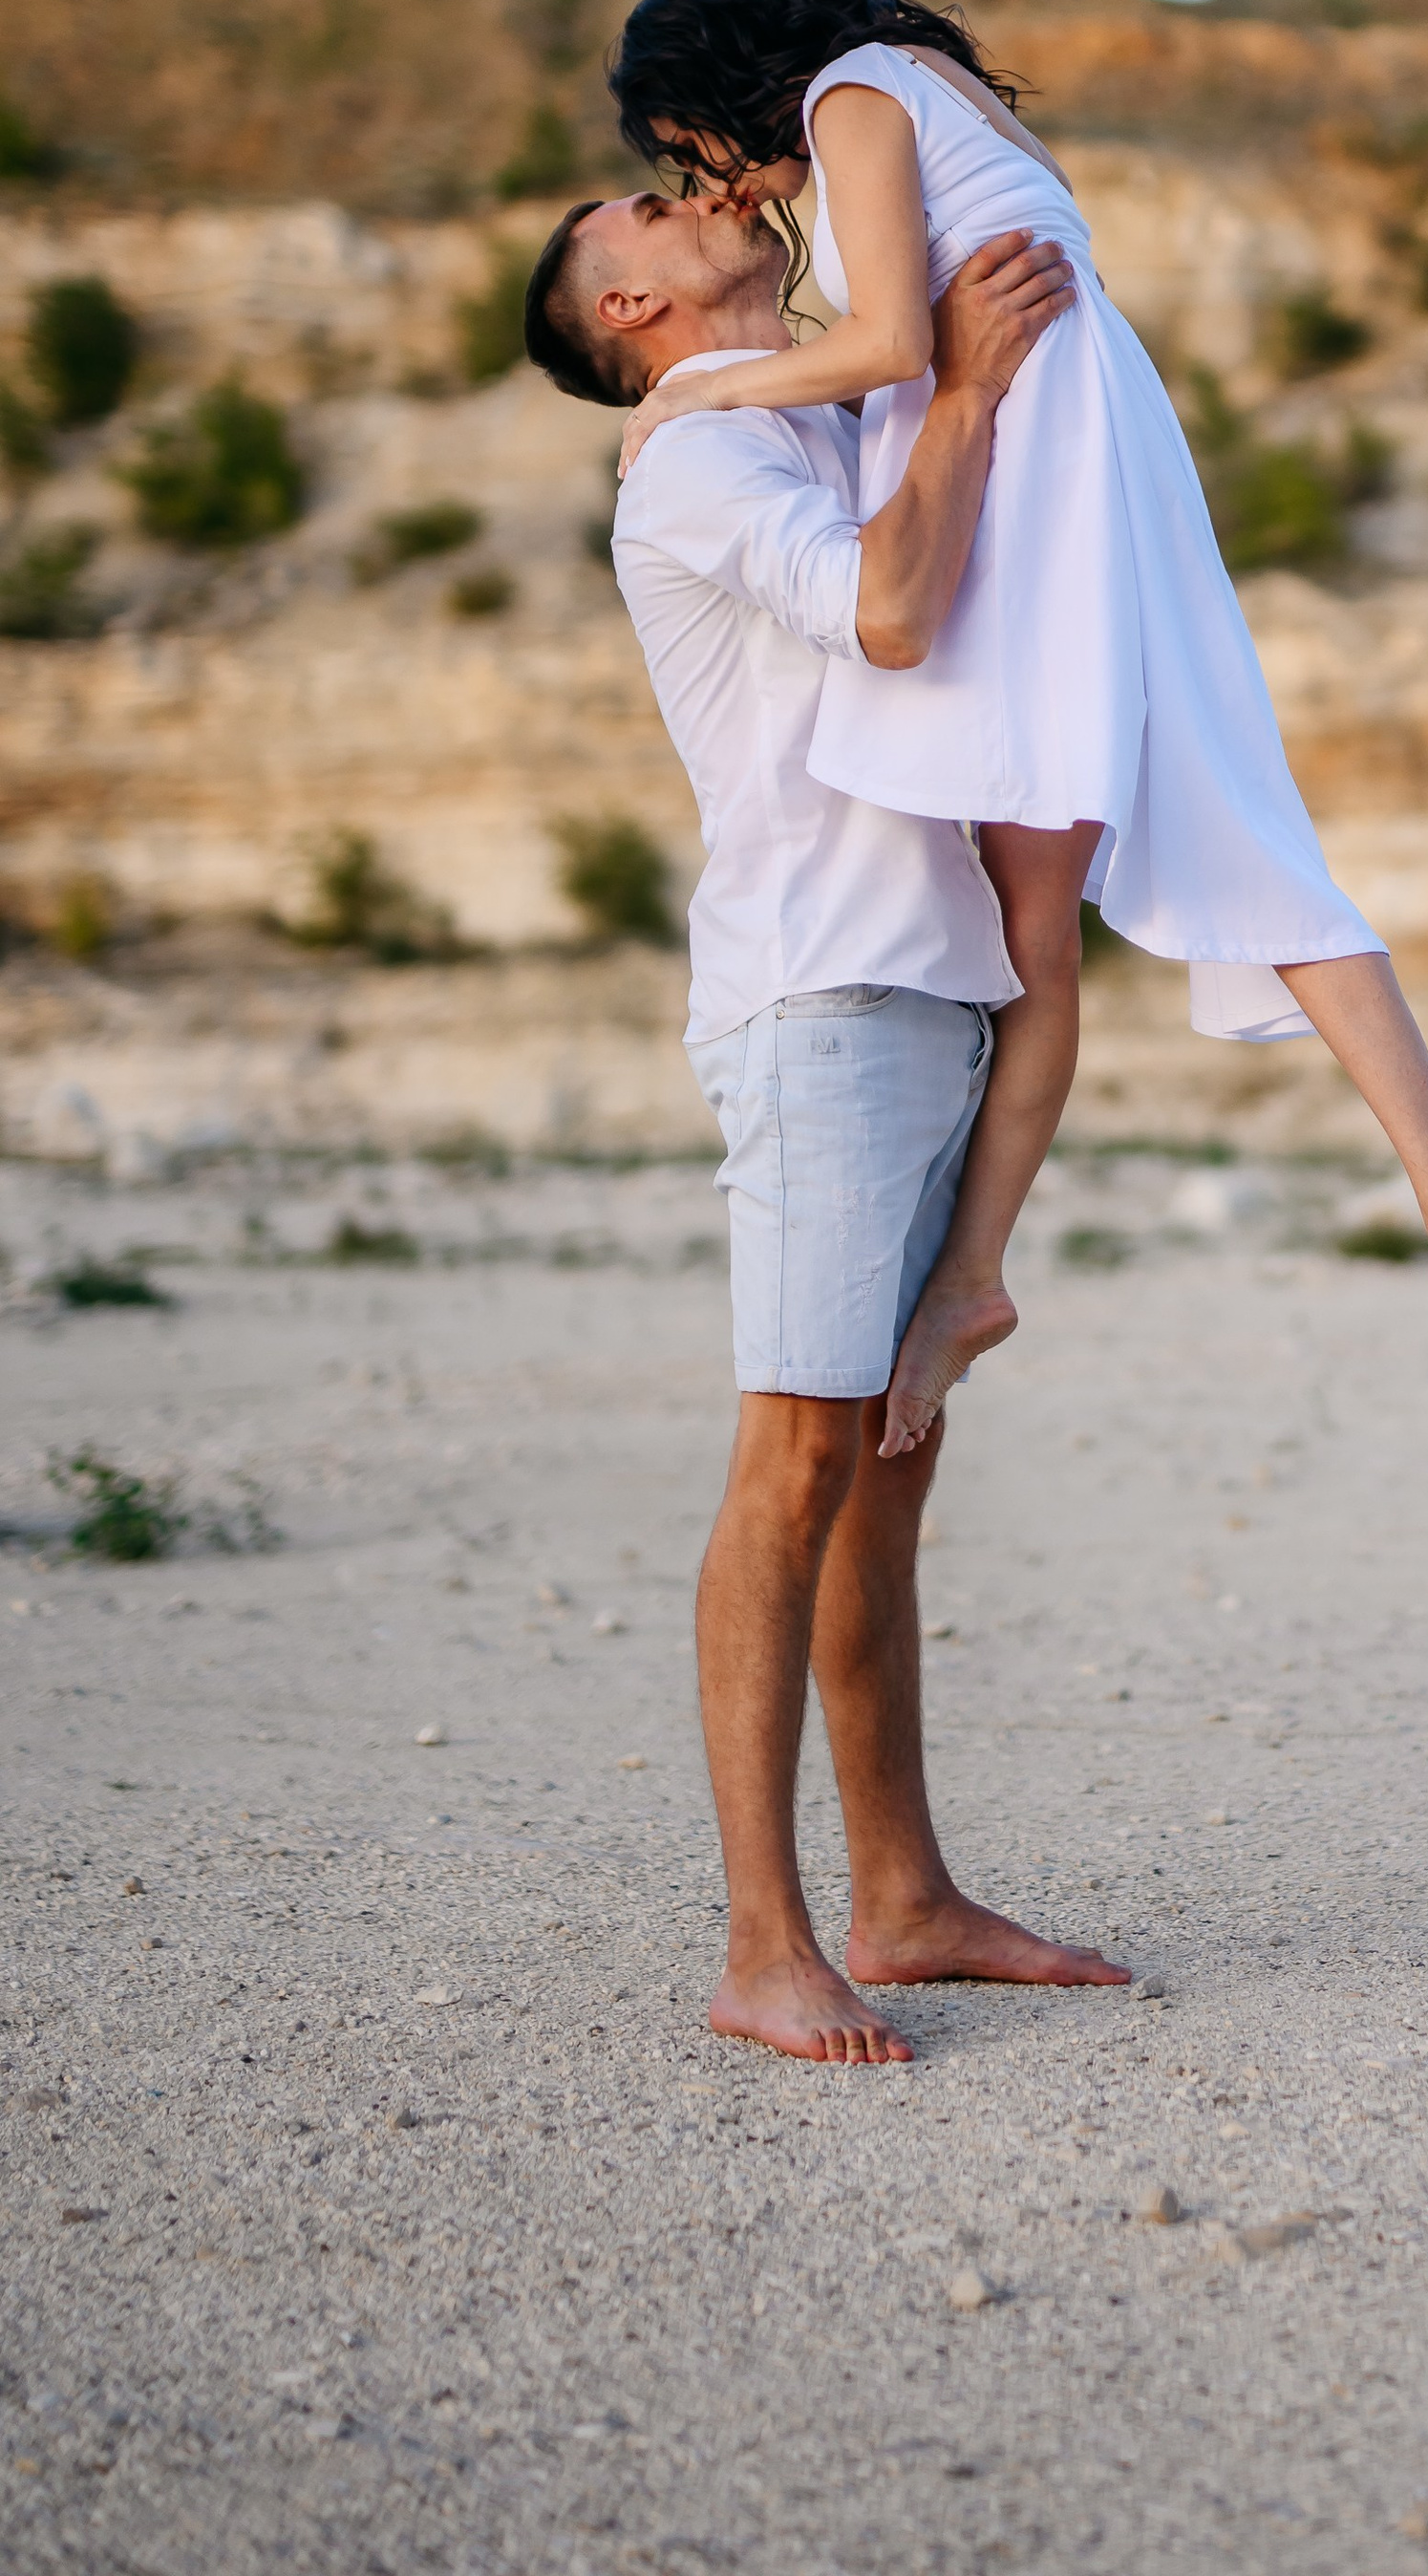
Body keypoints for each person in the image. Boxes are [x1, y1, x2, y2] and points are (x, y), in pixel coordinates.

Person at [600, 0, 1428, 1460]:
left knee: (1081, 885)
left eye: (681, 146)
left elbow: (899, 343)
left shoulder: (850, 97)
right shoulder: (916, 86)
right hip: (1067, 431)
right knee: (1133, 855)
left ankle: (989, 1269)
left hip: (1027, 444)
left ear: (716, 84)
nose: (702, 177)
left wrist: (692, 394)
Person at [523, 181, 1126, 2062]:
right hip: (823, 998)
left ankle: (906, 1895)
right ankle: (762, 1944)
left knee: (885, 1463)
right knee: (792, 1462)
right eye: (647, 201)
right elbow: (882, 607)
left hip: (925, 980)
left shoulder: (795, 407)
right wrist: (963, 393)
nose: (700, 191)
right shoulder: (695, 456)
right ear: (624, 299)